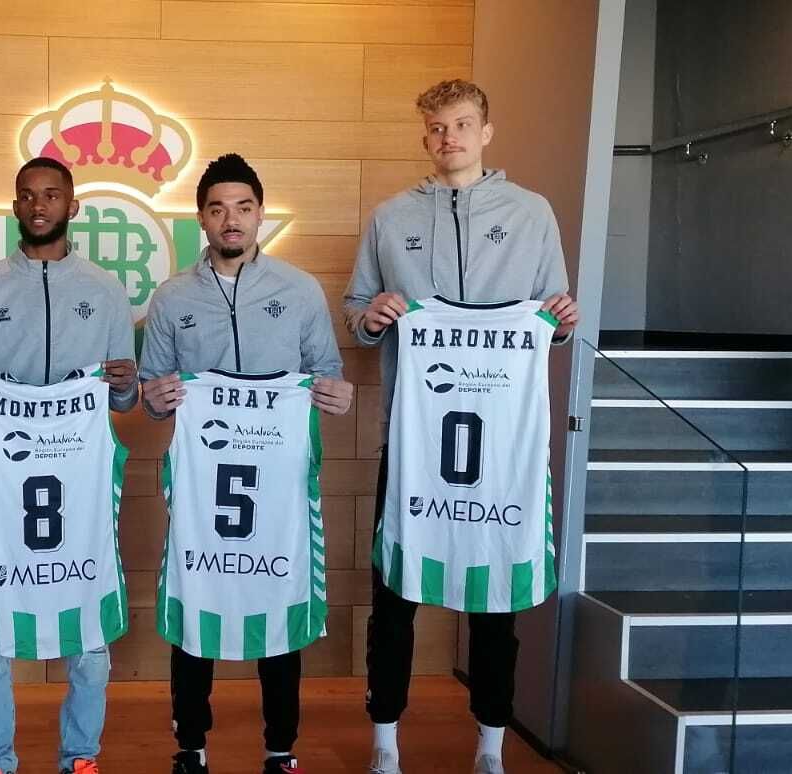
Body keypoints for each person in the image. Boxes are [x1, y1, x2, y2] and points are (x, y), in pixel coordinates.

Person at [343, 79, 579, 774]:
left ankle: (490, 746)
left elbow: (553, 321)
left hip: (503, 448)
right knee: (395, 595)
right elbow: (357, 310)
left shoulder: (533, 213)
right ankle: (385, 741)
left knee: (495, 599)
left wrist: (561, 324)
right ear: (425, 137)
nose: (451, 138)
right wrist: (372, 312)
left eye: (463, 124)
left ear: (487, 131)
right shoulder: (391, 218)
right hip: (414, 442)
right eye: (439, 128)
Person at [141, 153, 355, 774]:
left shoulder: (299, 289)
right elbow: (154, 395)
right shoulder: (172, 296)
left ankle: (280, 749)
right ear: (201, 219)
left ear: (260, 214)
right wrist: (155, 397)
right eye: (217, 209)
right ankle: (191, 747)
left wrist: (340, 395)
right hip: (203, 489)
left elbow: (329, 380)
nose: (230, 220)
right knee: (195, 597)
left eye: (243, 207)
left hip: (280, 485)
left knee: (278, 602)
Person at [0, 156, 139, 774]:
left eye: (51, 196)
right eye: (27, 196)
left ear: (72, 207)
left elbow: (125, 398)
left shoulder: (106, 290)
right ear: (14, 208)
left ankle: (80, 756)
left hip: (81, 485)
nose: (38, 206)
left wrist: (127, 383)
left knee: (89, 636)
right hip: (3, 484)